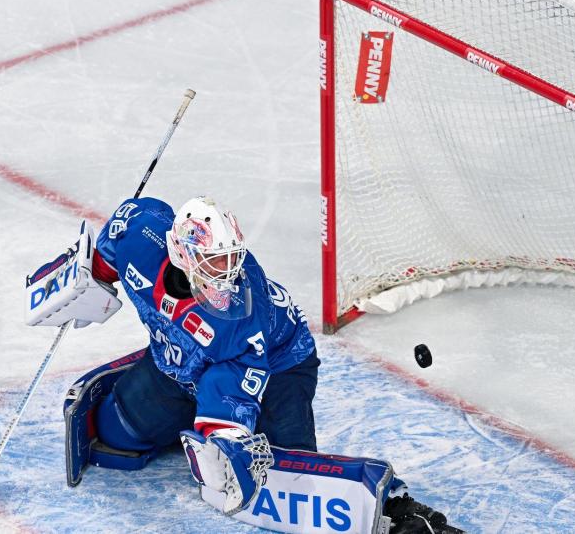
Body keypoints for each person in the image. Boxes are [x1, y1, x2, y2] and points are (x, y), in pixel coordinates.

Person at [27, 195, 461, 533]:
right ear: (181, 254)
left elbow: (230, 385)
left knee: (291, 477)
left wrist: (224, 437)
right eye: (215, 260)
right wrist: (87, 278)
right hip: (175, 365)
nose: (228, 270)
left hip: (277, 365)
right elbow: (113, 243)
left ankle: (394, 507)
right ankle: (177, 413)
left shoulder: (240, 317)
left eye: (231, 257)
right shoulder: (140, 235)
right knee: (114, 436)